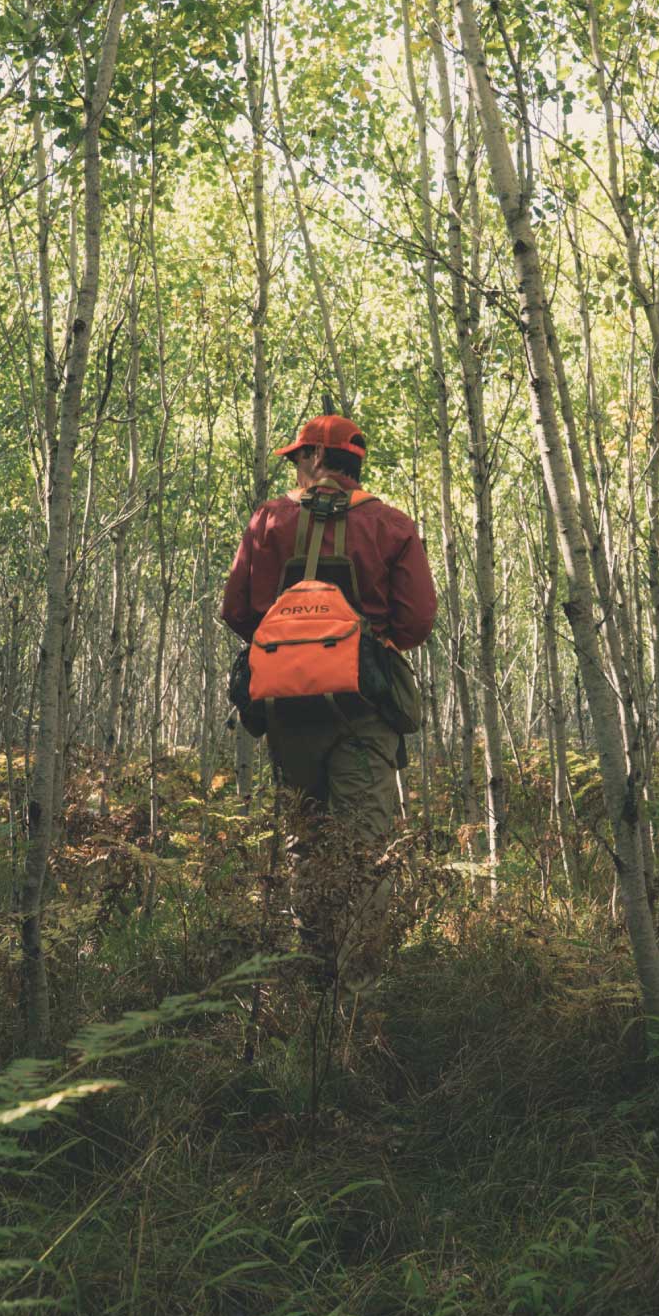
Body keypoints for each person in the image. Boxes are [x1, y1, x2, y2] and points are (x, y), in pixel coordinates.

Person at [221, 413, 437, 990]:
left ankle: (312, 982)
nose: (295, 465)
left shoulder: (268, 519)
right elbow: (417, 621)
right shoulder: (392, 525)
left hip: (288, 713)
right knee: (365, 850)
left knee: (305, 843)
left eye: (297, 456)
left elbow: (236, 612)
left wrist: (293, 647)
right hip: (365, 712)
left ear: (317, 459)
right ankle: (357, 1001)